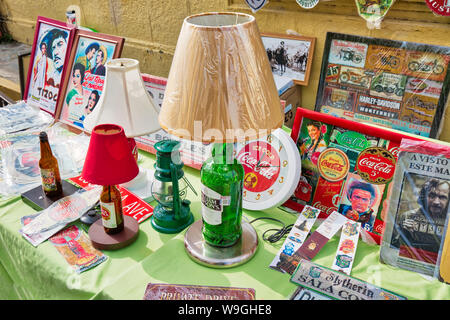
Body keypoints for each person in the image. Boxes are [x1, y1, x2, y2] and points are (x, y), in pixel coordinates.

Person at [392, 179, 450, 261]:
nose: (436, 202)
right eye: (432, 195)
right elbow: (394, 250)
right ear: (423, 196)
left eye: (442, 197)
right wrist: (404, 233)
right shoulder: (408, 216)